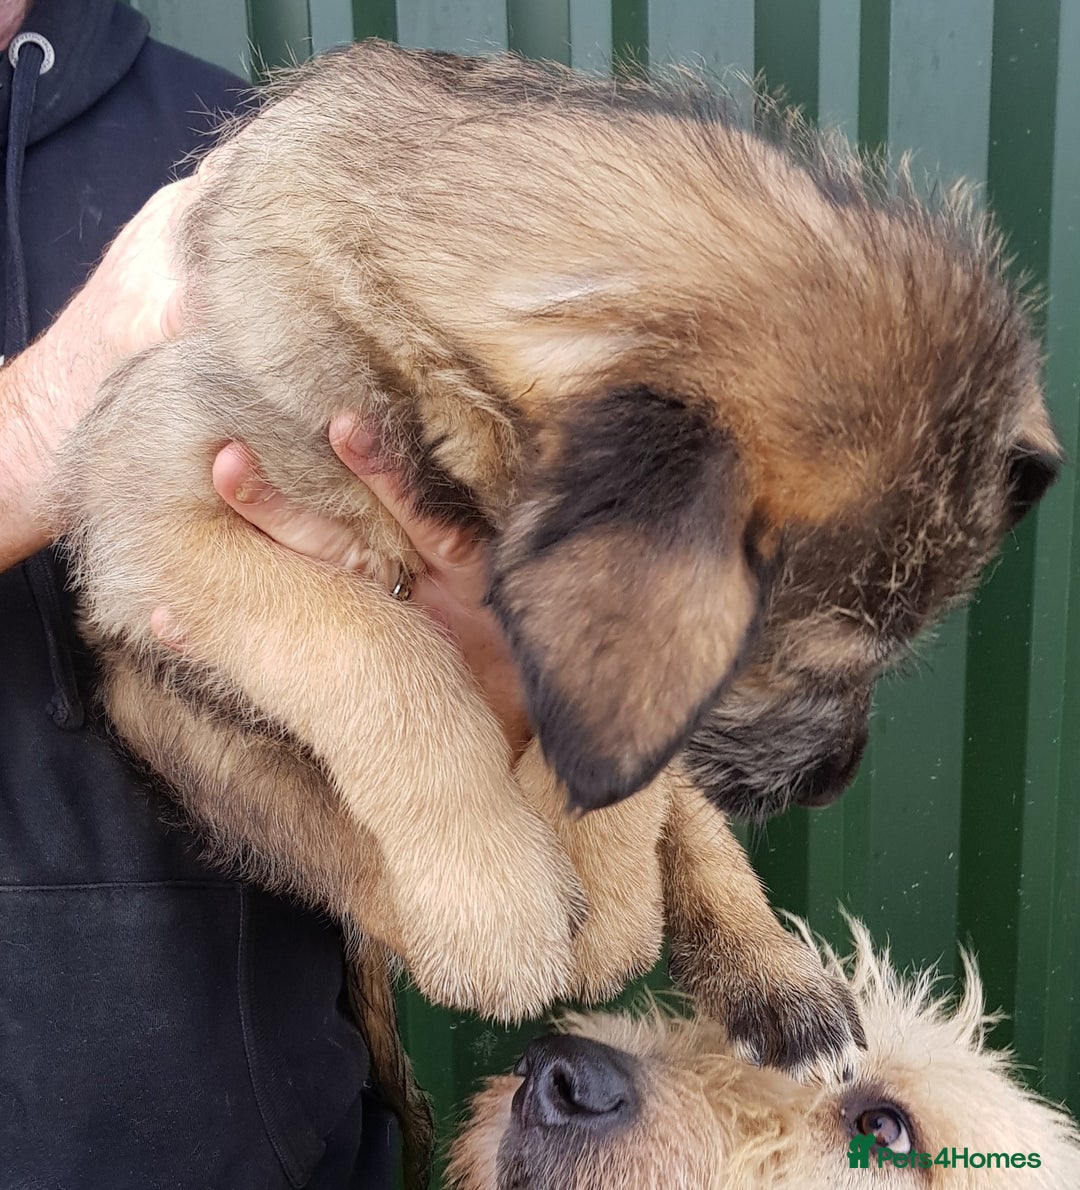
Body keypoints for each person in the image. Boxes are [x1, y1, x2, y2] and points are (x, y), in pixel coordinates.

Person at [0, 1, 527, 1185]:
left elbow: (485, 672)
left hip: (268, 1144)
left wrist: (477, 657)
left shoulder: (236, 156)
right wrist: (51, 404)